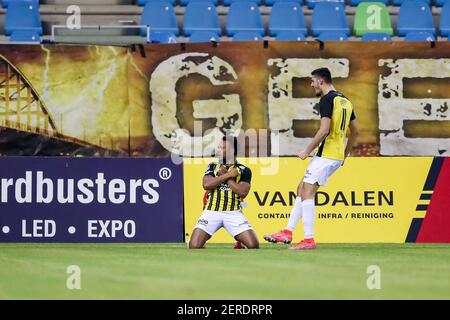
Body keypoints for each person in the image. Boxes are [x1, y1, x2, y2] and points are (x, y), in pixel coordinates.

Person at [264, 67, 359, 250]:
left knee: (307, 192)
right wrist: (345, 154)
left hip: (326, 154)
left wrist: (306, 150)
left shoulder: (326, 99)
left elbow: (324, 130)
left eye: (312, 81)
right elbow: (356, 132)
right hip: (335, 155)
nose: (311, 84)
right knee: (301, 187)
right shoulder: (345, 101)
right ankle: (287, 231)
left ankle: (308, 239)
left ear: (320, 81)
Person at [188, 135, 259, 249]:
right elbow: (206, 185)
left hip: (233, 213)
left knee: (253, 245)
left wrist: (227, 177)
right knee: (194, 246)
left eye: (223, 148)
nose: (218, 151)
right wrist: (229, 175)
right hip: (211, 211)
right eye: (219, 147)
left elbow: (242, 192)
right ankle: (199, 239)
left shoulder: (244, 170)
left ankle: (240, 242)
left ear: (233, 151)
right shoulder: (212, 166)